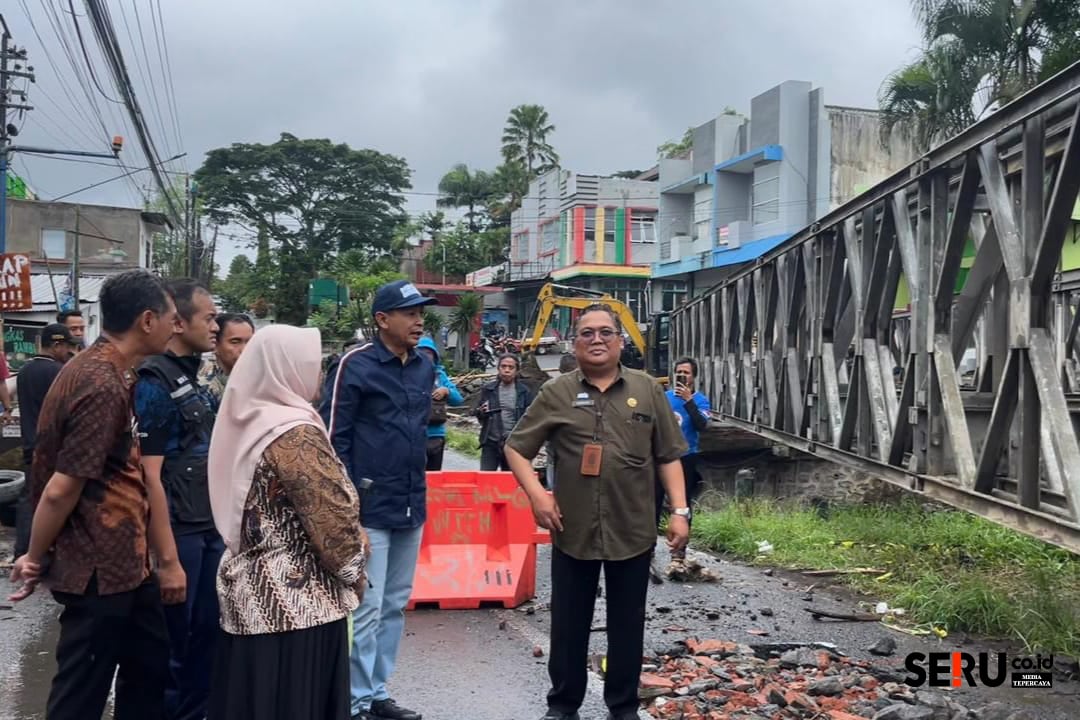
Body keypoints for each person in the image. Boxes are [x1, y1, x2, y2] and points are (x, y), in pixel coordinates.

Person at [8, 269, 183, 720]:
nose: (175, 326)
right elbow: (60, 489)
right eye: (171, 318)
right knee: (81, 690)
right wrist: (33, 556)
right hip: (97, 568)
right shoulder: (100, 382)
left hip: (127, 564)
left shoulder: (107, 372)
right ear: (147, 320)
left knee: (149, 670)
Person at [503, 304, 690, 720]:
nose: (597, 340)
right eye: (587, 333)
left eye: (606, 332)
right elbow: (516, 447)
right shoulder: (557, 392)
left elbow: (670, 455)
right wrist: (537, 495)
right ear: (575, 343)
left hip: (633, 528)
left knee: (628, 626)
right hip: (572, 528)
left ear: (620, 341)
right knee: (569, 625)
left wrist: (680, 510)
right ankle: (563, 706)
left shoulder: (648, 389)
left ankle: (622, 707)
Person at [207, 325, 369, 720]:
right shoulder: (293, 433)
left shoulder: (249, 418)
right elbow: (330, 519)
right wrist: (356, 572)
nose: (318, 374)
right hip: (298, 606)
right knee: (296, 702)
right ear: (287, 367)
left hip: (248, 593)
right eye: (313, 364)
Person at [320, 279, 435, 720]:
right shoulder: (355, 365)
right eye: (409, 313)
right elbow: (334, 440)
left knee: (394, 605)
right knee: (366, 608)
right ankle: (353, 702)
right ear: (382, 320)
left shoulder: (424, 365)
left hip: (410, 503)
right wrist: (345, 508)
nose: (419, 320)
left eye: (421, 312)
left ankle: (377, 692)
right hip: (367, 507)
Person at [134, 279, 222, 720]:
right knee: (174, 645)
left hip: (208, 526)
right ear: (178, 322)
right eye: (208, 317)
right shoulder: (154, 381)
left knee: (206, 640)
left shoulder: (197, 378)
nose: (216, 325)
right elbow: (150, 474)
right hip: (179, 531)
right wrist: (166, 559)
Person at [12, 324, 79, 559]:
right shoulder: (58, 372)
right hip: (53, 446)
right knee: (54, 497)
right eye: (67, 346)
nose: (69, 351)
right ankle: (47, 551)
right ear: (57, 344)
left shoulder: (25, 371)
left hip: (31, 443)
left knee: (30, 496)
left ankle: (23, 549)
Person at [656, 357, 712, 578]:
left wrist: (689, 402)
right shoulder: (665, 398)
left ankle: (678, 554)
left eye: (686, 373)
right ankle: (647, 550)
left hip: (686, 456)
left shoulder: (700, 400)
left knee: (682, 504)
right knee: (654, 500)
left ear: (693, 376)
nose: (682, 376)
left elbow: (702, 425)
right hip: (661, 456)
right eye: (679, 372)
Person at [474, 354, 532, 471]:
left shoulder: (524, 391)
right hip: (491, 441)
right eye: (503, 366)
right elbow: (478, 413)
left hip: (514, 444)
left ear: (517, 371)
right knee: (486, 480)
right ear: (498, 368)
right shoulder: (489, 389)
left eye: (511, 367)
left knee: (510, 481)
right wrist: (481, 411)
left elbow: (530, 418)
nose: (506, 370)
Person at [416, 336, 464, 471]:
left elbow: (458, 400)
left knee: (435, 478)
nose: (426, 356)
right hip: (413, 436)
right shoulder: (407, 373)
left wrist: (446, 390)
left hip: (435, 436)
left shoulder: (440, 376)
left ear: (434, 356)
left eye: (429, 352)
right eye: (421, 352)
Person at [201, 312, 255, 402]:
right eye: (235, 342)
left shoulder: (260, 378)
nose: (245, 349)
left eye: (250, 342)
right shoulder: (204, 385)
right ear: (215, 345)